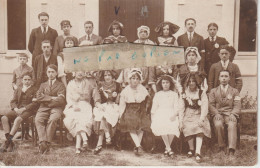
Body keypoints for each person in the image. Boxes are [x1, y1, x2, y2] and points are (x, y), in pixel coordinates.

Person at [63, 71, 101, 154]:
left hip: (85, 105)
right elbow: (68, 98)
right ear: (74, 73)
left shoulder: (88, 82)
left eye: (82, 71)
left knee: (80, 117)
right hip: (73, 105)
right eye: (77, 70)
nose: (79, 73)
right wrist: (73, 105)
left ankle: (78, 146)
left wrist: (97, 102)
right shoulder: (70, 84)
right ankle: (84, 139)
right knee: (74, 117)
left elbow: (95, 94)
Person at [0, 72, 38, 152]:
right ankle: (10, 142)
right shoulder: (18, 89)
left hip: (28, 111)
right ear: (22, 80)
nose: (27, 81)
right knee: (4, 117)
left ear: (31, 80)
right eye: (25, 79)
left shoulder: (35, 90)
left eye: (29, 79)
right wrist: (15, 109)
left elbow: (35, 103)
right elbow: (13, 101)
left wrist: (23, 109)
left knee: (17, 120)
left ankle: (7, 142)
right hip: (17, 109)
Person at [179, 74, 211, 163]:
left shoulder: (201, 92)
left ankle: (197, 152)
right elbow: (181, 107)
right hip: (188, 113)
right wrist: (181, 121)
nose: (192, 83)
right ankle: (191, 149)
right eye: (190, 81)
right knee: (187, 126)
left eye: (193, 81)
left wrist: (202, 118)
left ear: (197, 82)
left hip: (199, 113)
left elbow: (204, 106)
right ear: (187, 83)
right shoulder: (184, 93)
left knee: (199, 127)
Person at [209, 70, 241, 157]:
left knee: (231, 124)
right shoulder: (213, 91)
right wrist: (216, 113)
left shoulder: (235, 91)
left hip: (229, 113)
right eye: (222, 76)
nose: (224, 78)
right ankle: (221, 147)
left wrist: (233, 114)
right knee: (218, 124)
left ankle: (231, 149)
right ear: (219, 78)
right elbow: (211, 105)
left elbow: (237, 105)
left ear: (229, 78)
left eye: (226, 76)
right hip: (218, 113)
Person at [34, 64, 66, 154]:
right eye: (49, 72)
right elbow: (38, 97)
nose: (50, 74)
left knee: (53, 119)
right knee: (38, 119)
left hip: (56, 107)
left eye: (53, 72)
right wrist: (52, 98)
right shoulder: (43, 85)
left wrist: (46, 98)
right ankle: (43, 142)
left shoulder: (60, 85)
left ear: (56, 73)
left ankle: (46, 143)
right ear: (46, 73)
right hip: (43, 107)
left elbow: (61, 99)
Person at [119, 69, 151, 155]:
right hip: (129, 109)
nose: (135, 80)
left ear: (139, 80)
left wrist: (145, 110)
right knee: (131, 123)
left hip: (140, 109)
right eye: (133, 78)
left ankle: (137, 146)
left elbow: (147, 100)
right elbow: (122, 104)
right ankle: (138, 146)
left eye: (137, 78)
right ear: (130, 79)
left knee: (143, 125)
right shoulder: (125, 90)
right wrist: (121, 114)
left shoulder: (142, 89)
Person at [150, 75, 180, 157]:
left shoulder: (174, 94)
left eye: (167, 82)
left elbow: (177, 107)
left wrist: (174, 115)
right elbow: (154, 108)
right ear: (161, 84)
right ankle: (169, 149)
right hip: (160, 113)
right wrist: (153, 118)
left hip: (171, 113)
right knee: (161, 124)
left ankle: (167, 149)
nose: (165, 84)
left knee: (173, 125)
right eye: (163, 83)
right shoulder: (158, 94)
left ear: (170, 84)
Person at [92, 70, 121, 154]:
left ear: (112, 76)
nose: (107, 77)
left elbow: (119, 99)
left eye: (109, 75)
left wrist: (115, 102)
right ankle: (107, 135)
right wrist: (99, 105)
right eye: (105, 75)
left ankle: (99, 144)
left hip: (114, 106)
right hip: (103, 105)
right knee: (101, 114)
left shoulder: (118, 85)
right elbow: (96, 99)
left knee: (106, 115)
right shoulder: (99, 85)